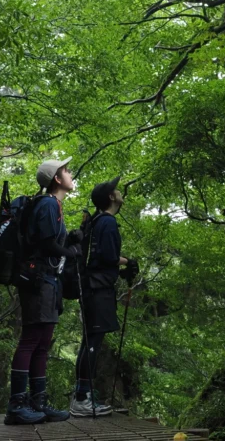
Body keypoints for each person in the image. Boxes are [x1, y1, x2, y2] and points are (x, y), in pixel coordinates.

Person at [5, 157, 83, 425]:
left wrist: (70, 240)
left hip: (47, 282)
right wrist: (70, 251)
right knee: (31, 340)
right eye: (66, 170)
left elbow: (49, 242)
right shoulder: (49, 203)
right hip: (38, 281)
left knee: (42, 342)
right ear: (57, 179)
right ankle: (17, 405)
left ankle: (38, 401)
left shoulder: (53, 205)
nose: (70, 173)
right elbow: (47, 244)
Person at [70, 176, 139, 417]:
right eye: (116, 190)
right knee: (92, 344)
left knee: (89, 343)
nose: (119, 192)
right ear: (111, 197)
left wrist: (120, 267)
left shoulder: (98, 221)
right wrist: (128, 262)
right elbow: (108, 257)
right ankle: (82, 400)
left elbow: (100, 257)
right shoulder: (107, 222)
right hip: (97, 290)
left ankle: (82, 396)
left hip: (92, 287)